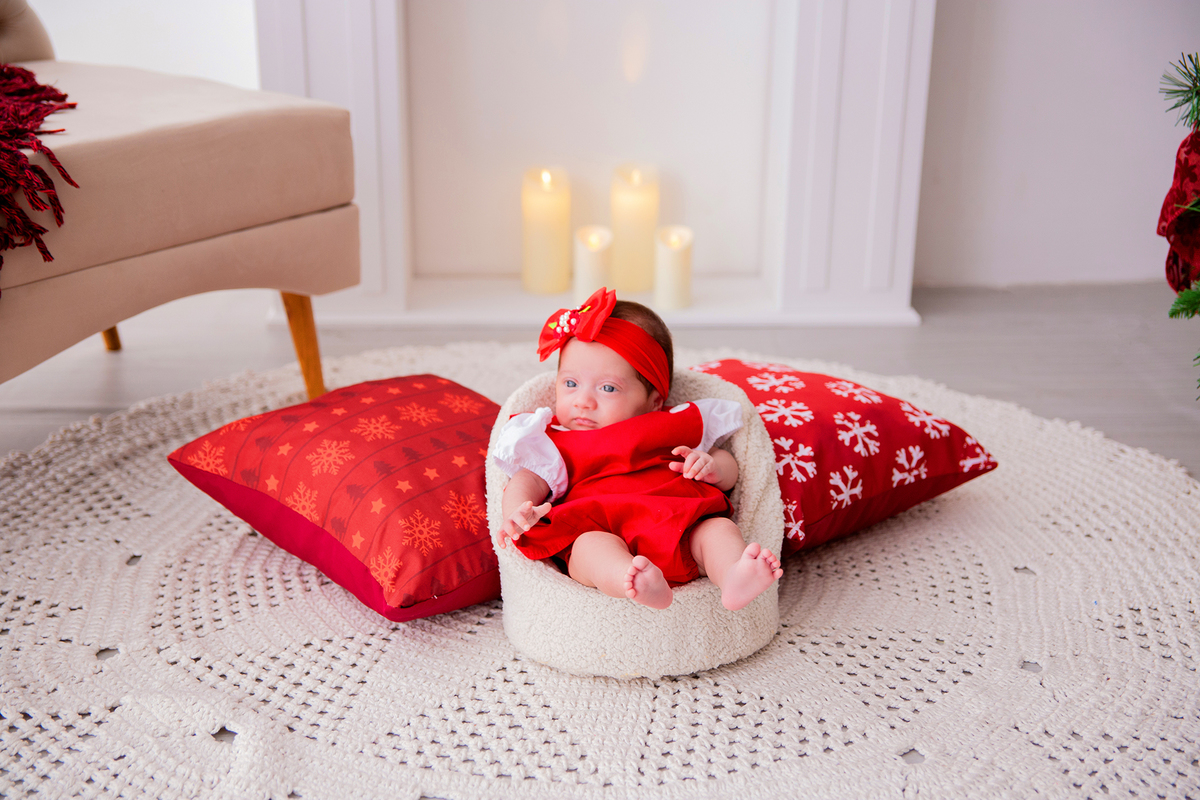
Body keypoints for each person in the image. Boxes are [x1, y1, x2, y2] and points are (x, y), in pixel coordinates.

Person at [493, 287, 782, 611]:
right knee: (588, 549)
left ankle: (732, 576)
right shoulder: (554, 438)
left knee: (718, 531)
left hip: (681, 525)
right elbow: (527, 478)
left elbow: (729, 468)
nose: (583, 401)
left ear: (654, 400)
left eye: (608, 388)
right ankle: (631, 579)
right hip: (599, 527)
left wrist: (712, 467)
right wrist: (517, 511)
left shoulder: (671, 423)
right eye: (571, 383)